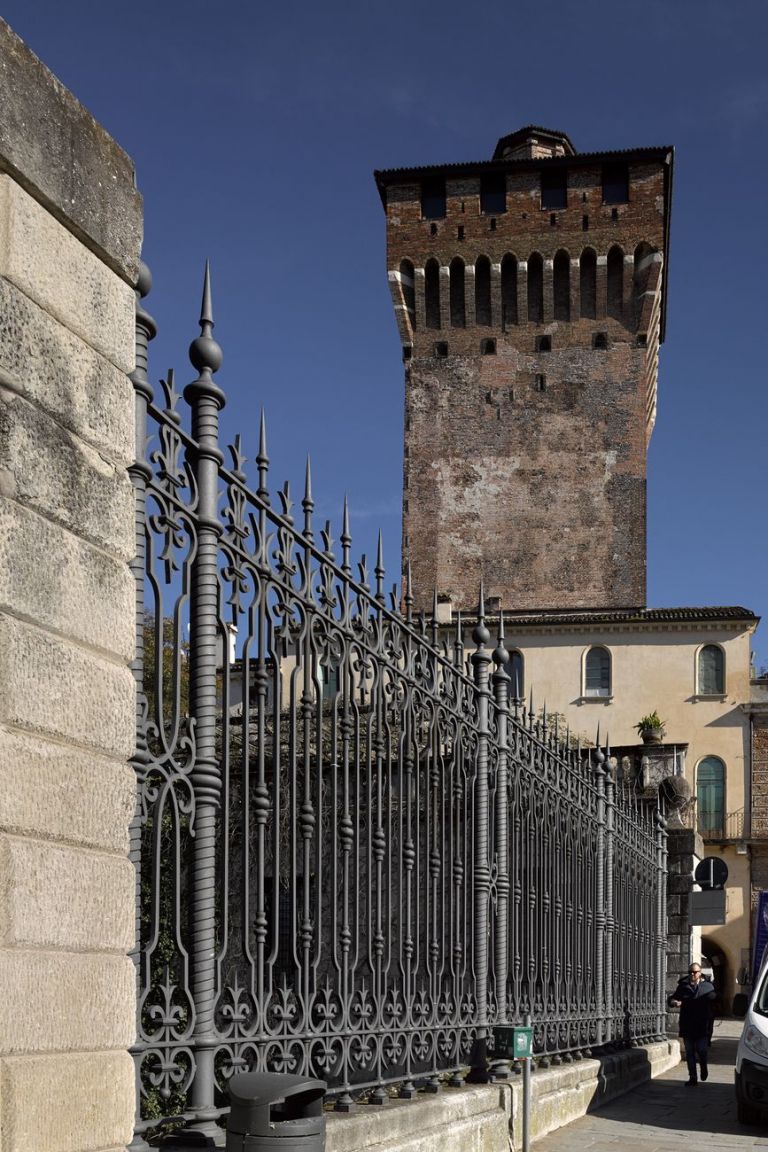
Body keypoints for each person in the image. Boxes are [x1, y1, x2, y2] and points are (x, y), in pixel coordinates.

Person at [668, 963, 716, 1085]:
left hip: (701, 1025)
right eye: (690, 972)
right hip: (687, 1024)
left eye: (694, 972)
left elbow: (715, 1000)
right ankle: (692, 1077)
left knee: (702, 1051)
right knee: (689, 1052)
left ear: (700, 972)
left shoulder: (708, 986)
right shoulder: (683, 986)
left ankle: (703, 1066)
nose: (692, 975)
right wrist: (674, 1002)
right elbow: (672, 999)